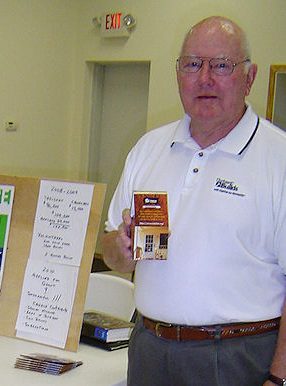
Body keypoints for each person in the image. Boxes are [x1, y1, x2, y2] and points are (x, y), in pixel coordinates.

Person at [101, 16, 286, 386]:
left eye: (221, 65)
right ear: (178, 75)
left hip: (237, 359)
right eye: (192, 65)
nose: (204, 78)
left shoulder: (277, 158)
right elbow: (111, 250)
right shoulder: (149, 149)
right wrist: (121, 247)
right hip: (149, 349)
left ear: (249, 78)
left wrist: (280, 379)